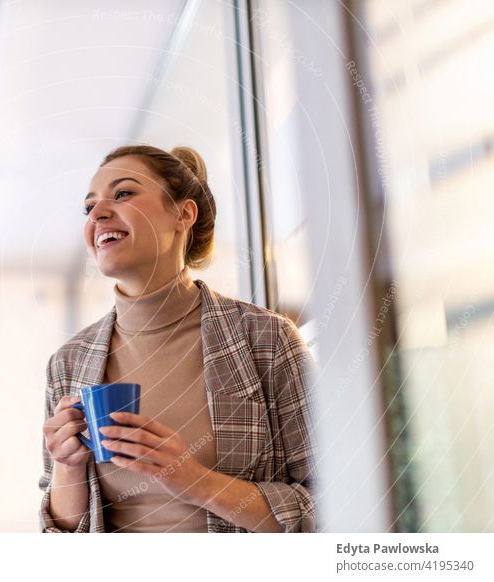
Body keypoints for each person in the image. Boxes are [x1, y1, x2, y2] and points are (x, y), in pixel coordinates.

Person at [39, 144, 317, 533]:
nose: (98, 214)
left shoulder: (267, 340)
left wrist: (194, 481)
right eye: (89, 207)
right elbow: (62, 534)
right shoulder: (68, 363)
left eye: (123, 193)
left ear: (183, 214)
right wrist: (67, 466)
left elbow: (332, 501)